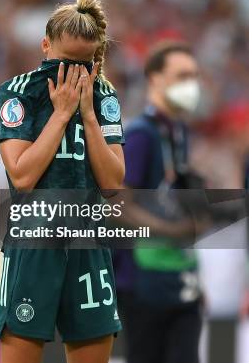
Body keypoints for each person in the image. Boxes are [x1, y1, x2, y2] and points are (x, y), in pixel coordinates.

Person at [0, 0, 125, 363]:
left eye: (85, 63)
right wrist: (62, 114)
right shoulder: (18, 93)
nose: (74, 73)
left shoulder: (104, 96)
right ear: (46, 45)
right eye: (66, 61)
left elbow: (114, 184)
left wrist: (88, 113)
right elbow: (21, 177)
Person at [118, 41, 203, 363]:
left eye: (193, 75)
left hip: (180, 271)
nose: (190, 84)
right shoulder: (141, 134)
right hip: (144, 276)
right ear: (154, 78)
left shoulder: (179, 131)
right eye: (181, 75)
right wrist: (169, 229)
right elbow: (119, 205)